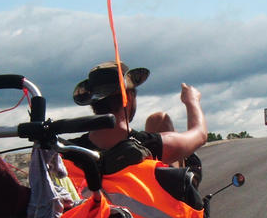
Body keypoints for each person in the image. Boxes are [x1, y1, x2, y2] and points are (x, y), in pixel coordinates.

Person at [70, 62, 207, 166]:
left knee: (158, 119)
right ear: (128, 97)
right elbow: (200, 134)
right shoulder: (148, 147)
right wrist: (192, 101)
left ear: (93, 102)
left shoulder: (70, 153)